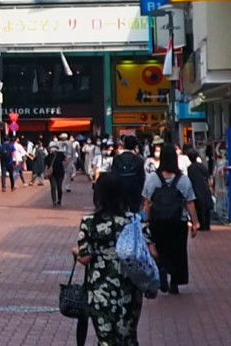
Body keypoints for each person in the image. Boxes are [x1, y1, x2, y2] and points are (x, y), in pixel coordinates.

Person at [75, 171, 155, 346]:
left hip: (100, 287)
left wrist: (75, 252)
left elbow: (85, 258)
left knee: (106, 337)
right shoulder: (135, 221)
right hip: (130, 286)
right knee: (128, 336)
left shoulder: (89, 222)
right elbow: (153, 253)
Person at [142, 144, 197, 294]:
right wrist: (195, 222)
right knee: (178, 250)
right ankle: (175, 281)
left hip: (157, 220)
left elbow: (147, 201)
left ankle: (162, 270)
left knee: (159, 248)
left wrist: (145, 220)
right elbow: (190, 202)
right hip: (178, 221)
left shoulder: (153, 178)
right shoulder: (183, 180)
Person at [112, 135, 147, 211]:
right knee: (134, 212)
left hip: (120, 189)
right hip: (135, 190)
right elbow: (142, 178)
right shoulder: (139, 159)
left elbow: (113, 175)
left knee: (121, 211)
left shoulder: (117, 158)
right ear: (135, 146)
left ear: (124, 145)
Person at [185, 148, 214, 232]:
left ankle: (202, 225)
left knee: (199, 208)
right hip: (205, 188)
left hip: (196, 189)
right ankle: (207, 225)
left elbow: (190, 179)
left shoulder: (190, 168)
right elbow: (208, 175)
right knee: (206, 208)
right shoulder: (201, 165)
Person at [49, 137, 69, 207]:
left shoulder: (60, 155)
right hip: (52, 174)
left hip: (60, 173)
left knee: (59, 187)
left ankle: (59, 199)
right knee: (53, 187)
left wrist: (65, 165)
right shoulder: (49, 156)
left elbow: (67, 159)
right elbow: (46, 164)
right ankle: (54, 201)